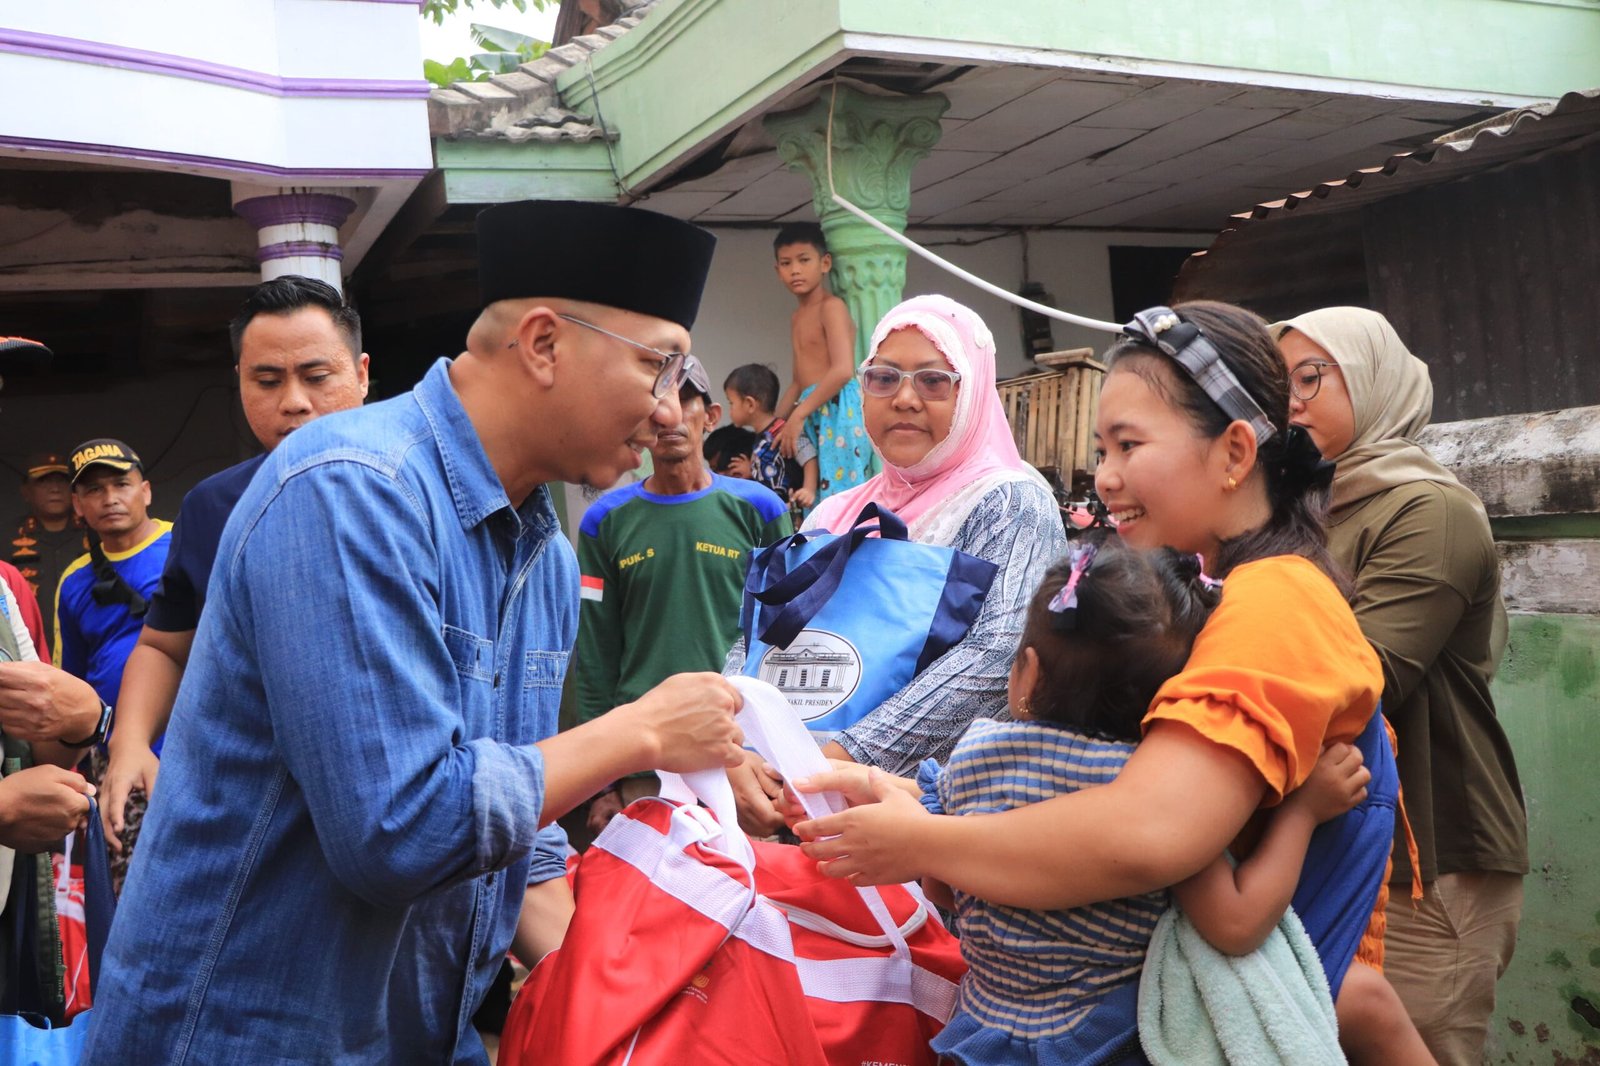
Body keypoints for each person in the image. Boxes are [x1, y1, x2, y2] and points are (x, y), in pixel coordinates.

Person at [82, 200, 746, 1065]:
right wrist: (640, 731)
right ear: (543, 344)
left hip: (421, 1031)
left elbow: (518, 834)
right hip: (249, 1036)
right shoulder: (351, 490)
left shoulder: (541, 546)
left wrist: (660, 1001)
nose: (670, 413)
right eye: (659, 368)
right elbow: (401, 832)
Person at [793, 302, 1395, 1030]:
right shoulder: (1203, 591)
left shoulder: (1276, 601)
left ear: (1235, 454)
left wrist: (921, 841)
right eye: (1102, 450)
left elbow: (1146, 832)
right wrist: (912, 804)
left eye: (1128, 445)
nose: (1105, 477)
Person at [1275, 307, 1527, 1065]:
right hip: (1329, 840)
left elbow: (1366, 677)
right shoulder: (1302, 510)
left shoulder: (1429, 509)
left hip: (1430, 855)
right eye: (1276, 383)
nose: (1289, 401)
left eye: (1311, 378)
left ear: (1372, 381)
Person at [727, 294, 1066, 834]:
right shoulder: (835, 510)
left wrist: (838, 758)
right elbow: (760, 638)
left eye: (934, 381)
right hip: (795, 802)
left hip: (927, 822)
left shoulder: (1007, 500)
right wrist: (736, 747)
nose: (905, 398)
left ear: (973, 392)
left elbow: (997, 657)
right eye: (884, 378)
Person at [98, 275, 370, 857]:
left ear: (362, 374)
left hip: (394, 801)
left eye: (317, 377)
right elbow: (164, 646)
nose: (293, 401)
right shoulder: (213, 507)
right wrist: (129, 743)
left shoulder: (422, 493)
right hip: (251, 815)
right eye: (266, 381)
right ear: (241, 385)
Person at [574, 355, 789, 818]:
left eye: (686, 398)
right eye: (657, 403)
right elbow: (595, 652)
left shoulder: (762, 510)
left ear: (711, 416)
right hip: (642, 757)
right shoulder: (603, 522)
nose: (669, 415)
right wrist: (600, 784)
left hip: (738, 752)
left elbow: (786, 637)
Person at [771, 223, 873, 503]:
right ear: (777, 271)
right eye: (786, 263)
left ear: (824, 263)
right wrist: (774, 426)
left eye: (804, 260)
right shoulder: (797, 316)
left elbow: (842, 371)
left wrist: (799, 415)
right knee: (811, 498)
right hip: (811, 407)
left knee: (841, 498)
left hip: (838, 409)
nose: (795, 270)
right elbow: (798, 381)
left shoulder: (832, 307)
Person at [8, 451, 85, 657]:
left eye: (62, 481)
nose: (55, 489)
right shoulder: (6, 539)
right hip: (26, 653)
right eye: (44, 482)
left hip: (87, 650)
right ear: (26, 491)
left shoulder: (96, 535)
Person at [724, 362, 819, 510]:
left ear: (750, 404)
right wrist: (751, 470)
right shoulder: (761, 437)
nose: (730, 409)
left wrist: (809, 489)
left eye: (731, 403)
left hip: (789, 512)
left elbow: (808, 456)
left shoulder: (782, 431)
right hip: (772, 510)